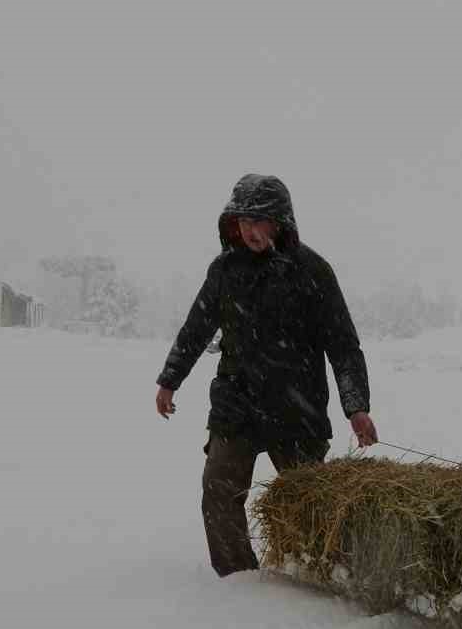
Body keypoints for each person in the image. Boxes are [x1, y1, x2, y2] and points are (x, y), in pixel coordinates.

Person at [154, 173, 378, 576]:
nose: (249, 231)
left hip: (297, 408)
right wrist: (170, 379)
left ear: (280, 222)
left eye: (258, 221)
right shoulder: (224, 270)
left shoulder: (312, 270)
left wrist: (356, 406)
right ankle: (238, 580)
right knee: (219, 492)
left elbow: (343, 344)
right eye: (242, 221)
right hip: (236, 405)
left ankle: (314, 575)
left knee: (310, 500)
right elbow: (196, 328)